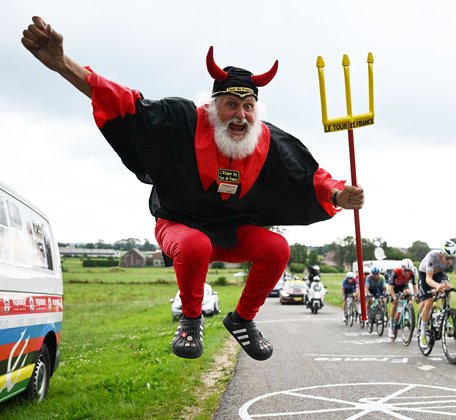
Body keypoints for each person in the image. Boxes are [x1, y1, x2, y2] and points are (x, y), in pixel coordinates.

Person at [21, 16, 365, 361]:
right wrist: (63, 64)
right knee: (196, 244)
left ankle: (243, 320)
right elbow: (123, 102)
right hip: (180, 226)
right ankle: (190, 319)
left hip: (231, 232)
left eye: (248, 107)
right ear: (213, 107)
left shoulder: (267, 140)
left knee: (276, 248)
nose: (241, 115)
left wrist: (337, 193)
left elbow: (308, 173)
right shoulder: (180, 119)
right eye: (231, 104)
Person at [417, 240, 456, 347]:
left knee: (448, 287)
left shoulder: (455, 256)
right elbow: (428, 278)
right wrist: (436, 286)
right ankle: (422, 333)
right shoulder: (432, 256)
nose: (449, 262)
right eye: (447, 259)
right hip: (425, 274)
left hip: (439, 272)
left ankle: (444, 312)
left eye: (451, 259)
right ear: (441, 254)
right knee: (429, 302)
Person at [388, 258, 417, 337]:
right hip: (395, 287)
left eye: (409, 271)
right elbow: (391, 288)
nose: (407, 273)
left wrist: (415, 295)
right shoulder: (396, 272)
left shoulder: (412, 273)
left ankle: (406, 310)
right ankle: (391, 325)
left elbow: (414, 286)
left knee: (408, 293)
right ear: (402, 268)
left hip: (404, 286)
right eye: (405, 271)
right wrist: (394, 296)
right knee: (395, 303)